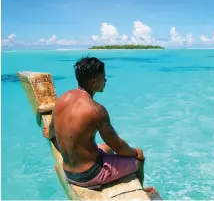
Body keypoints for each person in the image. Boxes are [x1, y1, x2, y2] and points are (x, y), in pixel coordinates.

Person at [43, 56, 159, 196]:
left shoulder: (62, 99)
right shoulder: (96, 110)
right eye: (103, 77)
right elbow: (120, 147)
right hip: (89, 175)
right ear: (93, 81)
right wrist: (136, 152)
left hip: (69, 171)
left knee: (106, 147)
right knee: (138, 159)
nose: (105, 80)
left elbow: (51, 132)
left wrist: (48, 133)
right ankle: (141, 192)